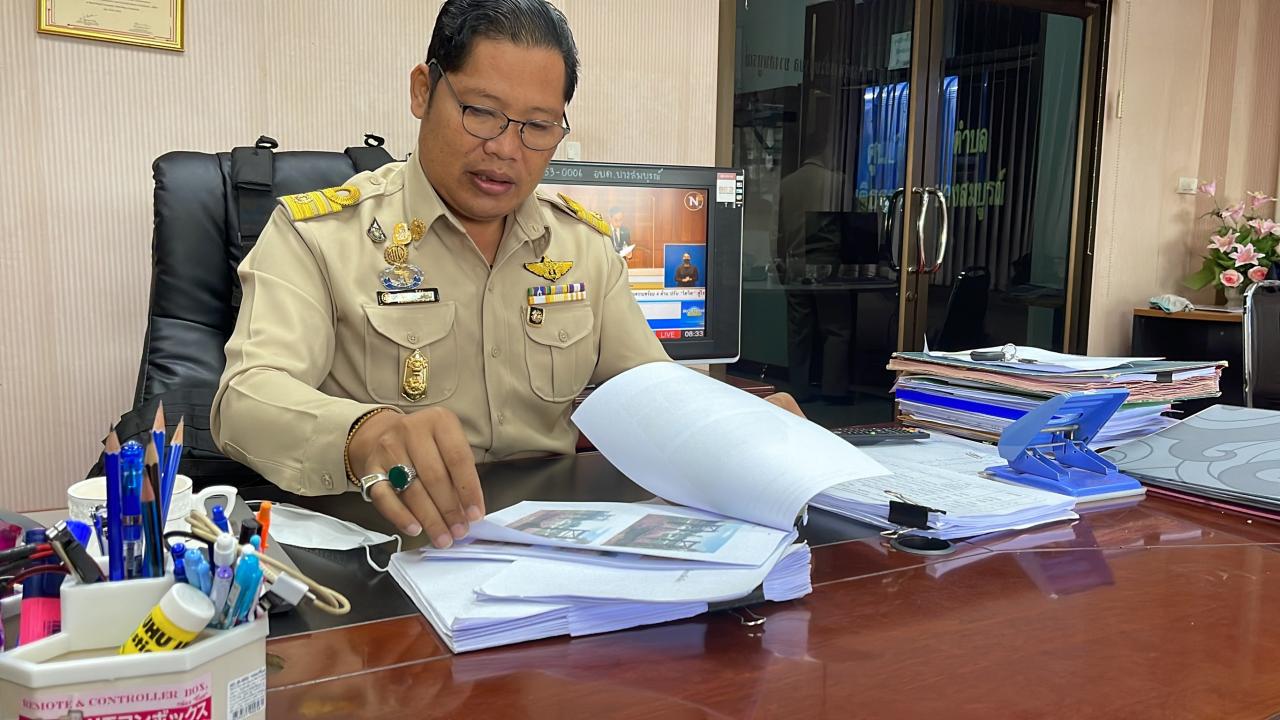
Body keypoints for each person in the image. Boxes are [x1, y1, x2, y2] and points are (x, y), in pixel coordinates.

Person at [211, 0, 801, 549]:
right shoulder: (319, 235)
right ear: (423, 91)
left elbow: (650, 395)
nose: (506, 149)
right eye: (482, 113)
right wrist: (361, 433)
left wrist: (741, 425)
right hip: (390, 546)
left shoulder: (585, 246)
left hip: (555, 546)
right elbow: (244, 399)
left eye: (537, 126)